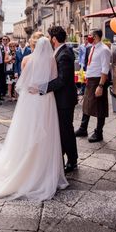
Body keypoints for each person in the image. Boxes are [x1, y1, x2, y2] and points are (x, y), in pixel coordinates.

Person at [0, 34, 68, 201]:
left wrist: (33, 88)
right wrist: (41, 88)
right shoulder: (51, 60)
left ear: (33, 45)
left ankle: (25, 164)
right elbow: (54, 80)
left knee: (27, 131)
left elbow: (22, 83)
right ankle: (45, 169)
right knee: (47, 132)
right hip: (46, 99)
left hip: (30, 99)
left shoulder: (27, 59)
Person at [45, 26, 79, 173]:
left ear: (53, 39)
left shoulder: (64, 54)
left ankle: (72, 161)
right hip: (64, 98)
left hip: (64, 100)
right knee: (64, 130)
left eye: (49, 38)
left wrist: (43, 87)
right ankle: (65, 157)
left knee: (66, 131)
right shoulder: (63, 51)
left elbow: (62, 80)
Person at [75, 29, 111, 143]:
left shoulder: (104, 50)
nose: (88, 37)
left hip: (98, 81)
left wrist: (100, 85)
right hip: (90, 80)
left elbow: (105, 69)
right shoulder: (92, 48)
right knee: (87, 105)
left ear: (95, 36)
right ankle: (83, 128)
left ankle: (98, 132)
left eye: (90, 35)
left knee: (100, 107)